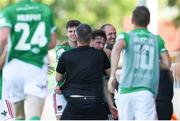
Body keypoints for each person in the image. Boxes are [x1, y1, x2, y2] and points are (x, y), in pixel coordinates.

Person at [108, 6, 171, 120]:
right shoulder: (157, 39)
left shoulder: (125, 36)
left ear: (132, 20)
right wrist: (153, 63)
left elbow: (116, 49)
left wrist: (112, 75)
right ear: (149, 21)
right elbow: (167, 64)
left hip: (125, 90)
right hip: (145, 91)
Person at [0, 0, 57, 120]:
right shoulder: (45, 10)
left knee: (18, 115)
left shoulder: (9, 11)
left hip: (13, 67)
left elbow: (3, 38)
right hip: (35, 67)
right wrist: (35, 49)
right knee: (34, 115)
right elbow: (52, 43)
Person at [56, 24, 116, 120]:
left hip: (75, 101)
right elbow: (110, 74)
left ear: (76, 35)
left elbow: (58, 78)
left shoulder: (66, 55)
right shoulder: (100, 54)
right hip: (95, 102)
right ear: (90, 37)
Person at [53, 19, 81, 119]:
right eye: (70, 31)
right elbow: (64, 69)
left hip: (80, 91)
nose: (73, 34)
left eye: (76, 31)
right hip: (62, 90)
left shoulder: (85, 47)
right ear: (66, 33)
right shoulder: (61, 48)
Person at [89, 29, 118, 120]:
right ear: (91, 41)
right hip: (77, 102)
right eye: (98, 43)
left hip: (99, 100)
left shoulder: (102, 55)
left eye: (103, 43)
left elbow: (106, 79)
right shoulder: (76, 53)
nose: (101, 46)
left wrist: (110, 104)